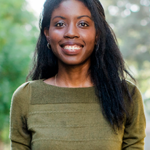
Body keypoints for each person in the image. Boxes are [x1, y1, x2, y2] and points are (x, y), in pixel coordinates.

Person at [9, 0, 146, 149]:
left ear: (97, 34)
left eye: (83, 24)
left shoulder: (126, 96)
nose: (71, 33)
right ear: (47, 33)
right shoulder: (26, 97)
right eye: (60, 24)